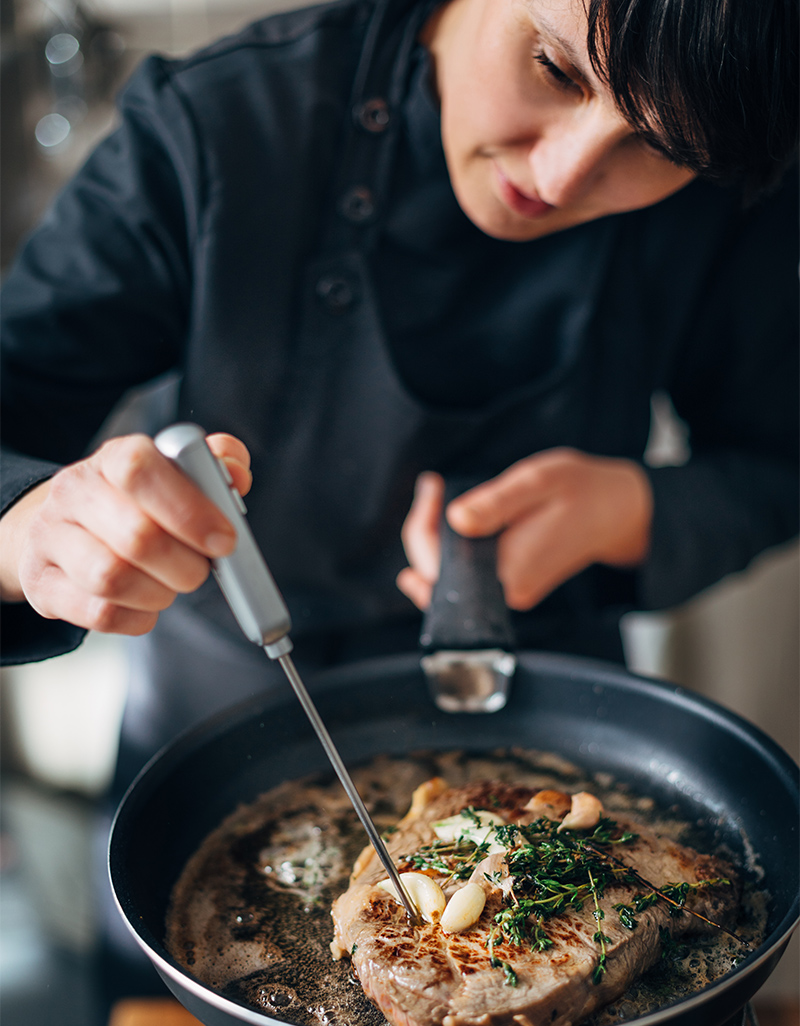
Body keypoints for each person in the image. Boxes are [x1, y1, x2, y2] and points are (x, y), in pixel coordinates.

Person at [0, 0, 796, 919]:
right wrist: (27, 531)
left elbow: (778, 464)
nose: (564, 172)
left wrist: (635, 511)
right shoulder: (221, 123)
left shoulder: (732, 171)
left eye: (659, 145)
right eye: (555, 68)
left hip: (549, 706)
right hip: (219, 720)